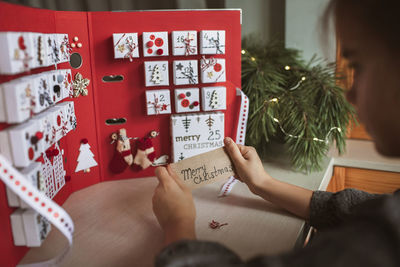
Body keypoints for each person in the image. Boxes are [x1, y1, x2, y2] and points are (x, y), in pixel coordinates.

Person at [152, 0, 400, 266]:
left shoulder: (375, 249)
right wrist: (263, 183)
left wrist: (177, 224)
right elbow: (354, 209)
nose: (349, 95)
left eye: (358, 66)